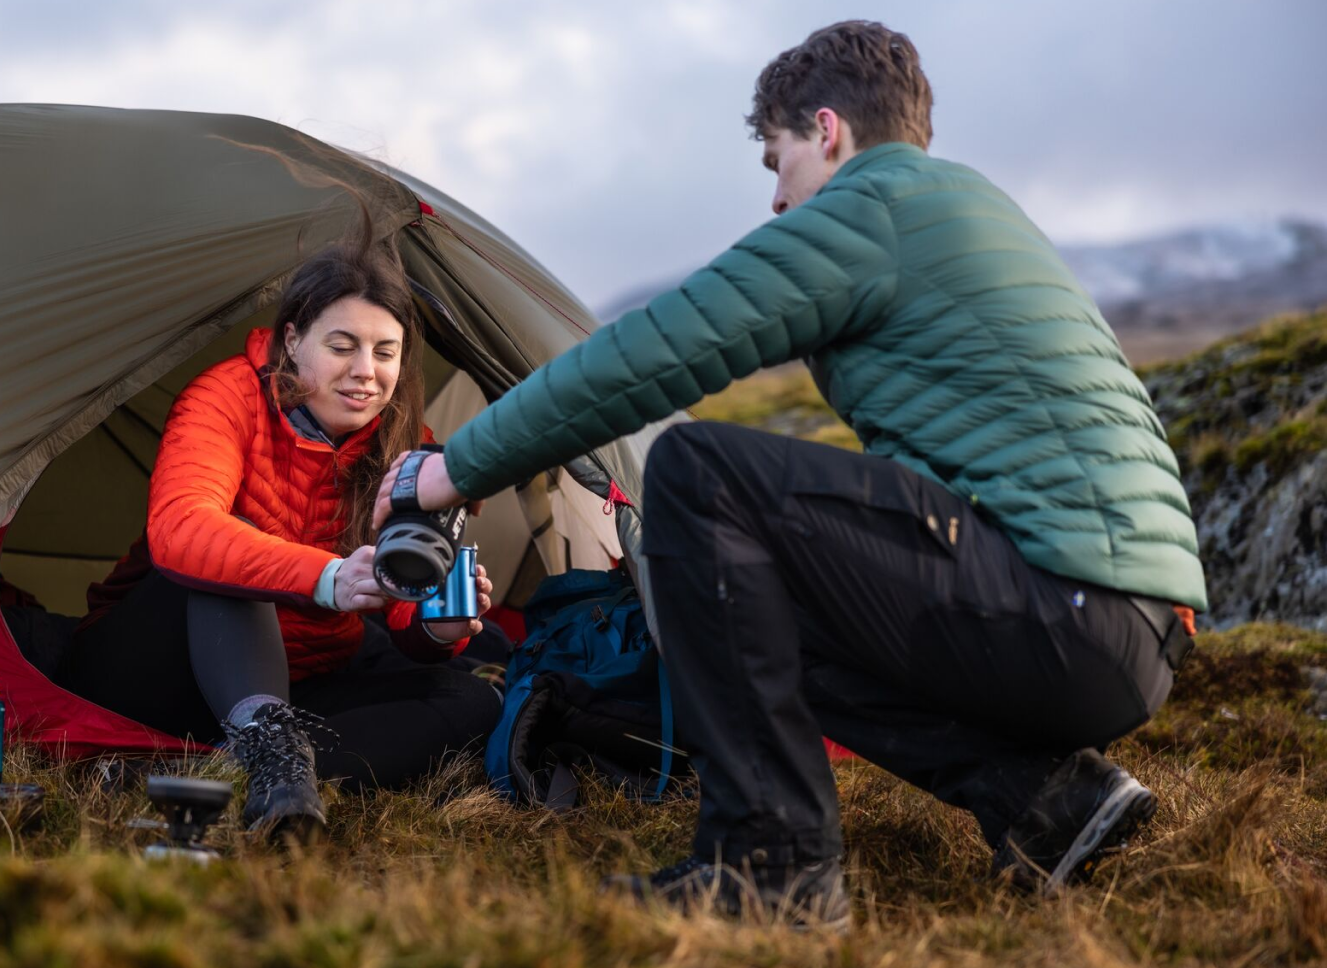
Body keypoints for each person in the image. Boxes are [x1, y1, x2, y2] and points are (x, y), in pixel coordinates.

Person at [376, 21, 1204, 927]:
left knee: (698, 468)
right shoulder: (963, 208)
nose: (777, 198)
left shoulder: (872, 210)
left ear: (828, 131)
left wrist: (449, 471)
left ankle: (768, 863)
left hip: (1062, 611)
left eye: (778, 161)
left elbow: (647, 357)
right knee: (768, 602)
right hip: (1121, 632)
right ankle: (1049, 802)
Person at [59, 227, 500, 841]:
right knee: (222, 548)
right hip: (159, 663)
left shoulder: (406, 441)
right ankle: (265, 754)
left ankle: (244, 772)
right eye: (342, 346)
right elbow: (181, 528)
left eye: (385, 352)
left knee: (473, 703)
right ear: (293, 340)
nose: (365, 373)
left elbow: (402, 605)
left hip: (301, 681)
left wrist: (437, 627)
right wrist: (328, 577)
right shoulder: (227, 396)